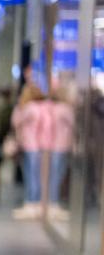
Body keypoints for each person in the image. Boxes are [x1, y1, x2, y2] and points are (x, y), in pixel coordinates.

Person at [11, 83, 47, 219]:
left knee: (31, 175)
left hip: (30, 145)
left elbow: (16, 122)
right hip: (37, 145)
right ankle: (34, 203)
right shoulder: (42, 108)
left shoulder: (28, 108)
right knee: (35, 175)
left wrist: (19, 108)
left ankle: (31, 204)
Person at [46, 87, 75, 220]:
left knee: (54, 174)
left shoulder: (51, 109)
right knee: (57, 175)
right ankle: (54, 203)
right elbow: (73, 124)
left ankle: (52, 202)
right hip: (62, 144)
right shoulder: (64, 109)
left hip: (52, 145)